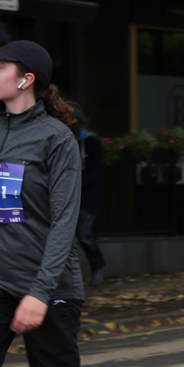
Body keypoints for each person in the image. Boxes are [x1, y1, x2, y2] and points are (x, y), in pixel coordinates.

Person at [0, 39, 87, 367]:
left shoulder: (56, 138)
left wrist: (39, 291)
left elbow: (64, 223)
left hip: (48, 285)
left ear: (25, 79)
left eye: (0, 67)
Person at [70, 108, 106, 286]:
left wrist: (79, 184)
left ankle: (98, 266)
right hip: (69, 198)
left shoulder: (90, 142)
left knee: (84, 234)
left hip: (87, 198)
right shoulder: (66, 141)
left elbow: (97, 169)